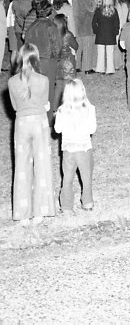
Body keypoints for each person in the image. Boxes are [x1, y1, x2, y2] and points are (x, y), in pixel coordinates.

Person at [9, 43, 56, 224]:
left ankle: (22, 214)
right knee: (42, 165)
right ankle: (40, 211)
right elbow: (44, 102)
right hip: (39, 123)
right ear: (36, 59)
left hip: (21, 124)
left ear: (19, 58)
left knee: (21, 167)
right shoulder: (43, 80)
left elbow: (14, 107)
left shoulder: (12, 82)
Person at [54, 78, 97, 213]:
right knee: (86, 177)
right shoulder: (90, 108)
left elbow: (57, 129)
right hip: (84, 148)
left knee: (67, 178)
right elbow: (92, 129)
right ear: (83, 91)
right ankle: (88, 203)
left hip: (68, 150)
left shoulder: (61, 110)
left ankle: (66, 207)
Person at [52, 13, 79, 114]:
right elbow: (76, 46)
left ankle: (55, 109)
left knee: (58, 87)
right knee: (69, 87)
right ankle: (69, 107)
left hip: (56, 62)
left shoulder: (51, 35)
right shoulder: (68, 34)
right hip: (68, 63)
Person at [92, 0, 120, 75]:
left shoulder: (98, 10)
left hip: (100, 34)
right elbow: (117, 23)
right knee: (110, 53)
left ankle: (100, 69)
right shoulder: (114, 11)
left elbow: (93, 22)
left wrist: (96, 31)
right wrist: (115, 32)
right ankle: (110, 69)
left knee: (100, 53)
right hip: (110, 34)